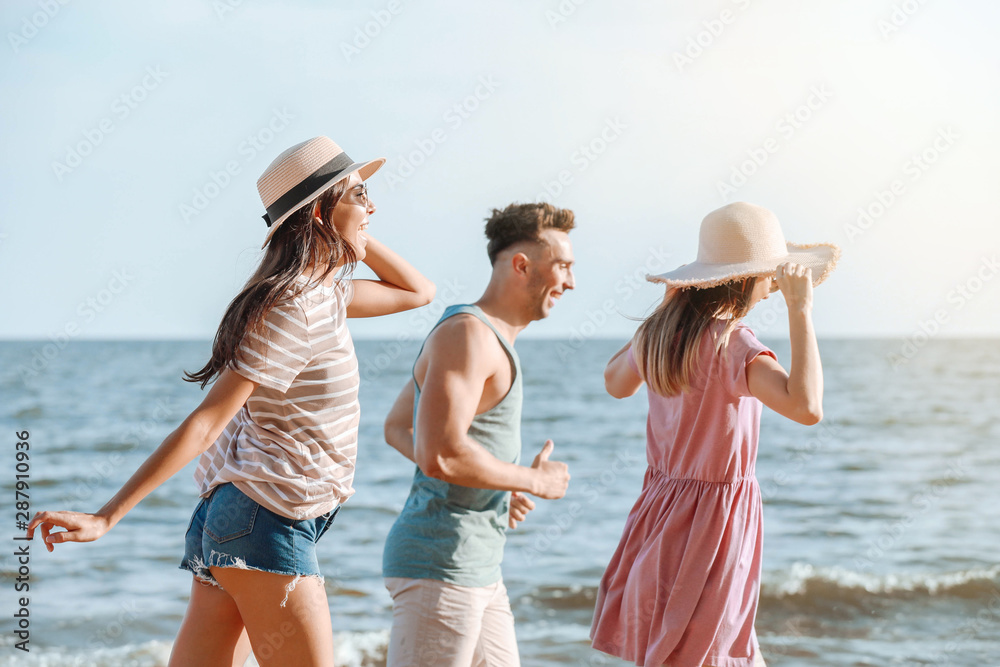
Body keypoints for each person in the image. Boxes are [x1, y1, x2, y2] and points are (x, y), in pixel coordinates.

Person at [24, 136, 436, 667]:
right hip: (267, 519)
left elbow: (418, 291)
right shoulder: (297, 307)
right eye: (360, 194)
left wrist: (349, 228)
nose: (373, 205)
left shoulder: (325, 293)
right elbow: (205, 424)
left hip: (242, 516)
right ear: (319, 211)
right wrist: (107, 517)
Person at [589, 202, 841, 667]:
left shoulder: (658, 338)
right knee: (712, 653)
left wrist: (665, 311)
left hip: (658, 516)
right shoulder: (734, 344)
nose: (769, 291)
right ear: (746, 279)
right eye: (768, 277)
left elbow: (613, 383)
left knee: (682, 651)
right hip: (714, 527)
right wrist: (800, 310)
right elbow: (807, 408)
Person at [380, 202, 576, 666]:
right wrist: (531, 481)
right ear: (522, 265)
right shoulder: (468, 335)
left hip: (478, 567)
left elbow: (399, 429)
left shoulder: (490, 338)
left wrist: (500, 483)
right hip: (441, 566)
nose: (570, 282)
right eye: (563, 267)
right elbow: (441, 454)